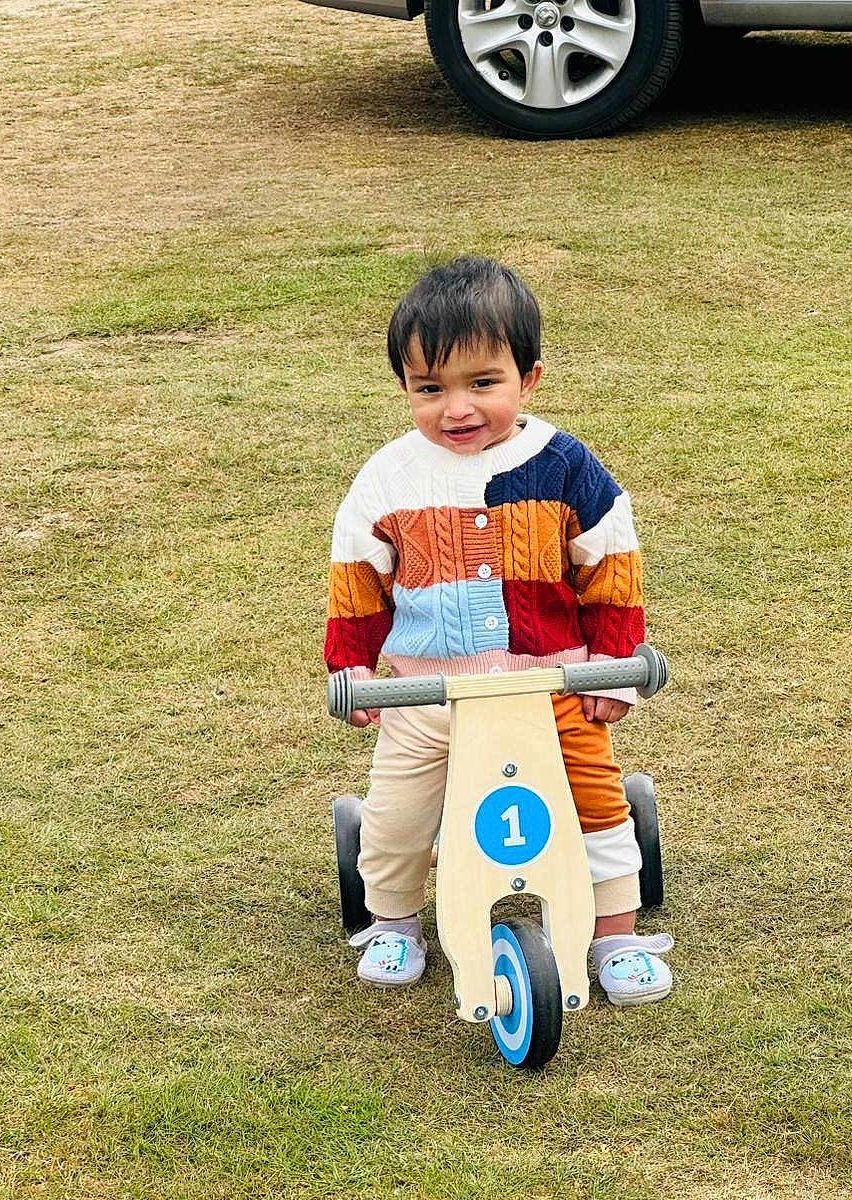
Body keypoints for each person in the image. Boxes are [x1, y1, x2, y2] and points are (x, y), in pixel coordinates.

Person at [324, 256, 673, 1006]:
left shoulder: (565, 466)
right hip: (429, 690)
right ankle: (393, 920)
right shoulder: (388, 478)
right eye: (430, 389)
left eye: (483, 383)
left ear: (529, 379)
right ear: (406, 389)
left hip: (554, 684)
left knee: (595, 801)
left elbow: (609, 562)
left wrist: (614, 665)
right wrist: (351, 666)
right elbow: (359, 575)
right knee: (397, 813)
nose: (457, 408)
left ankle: (615, 932)